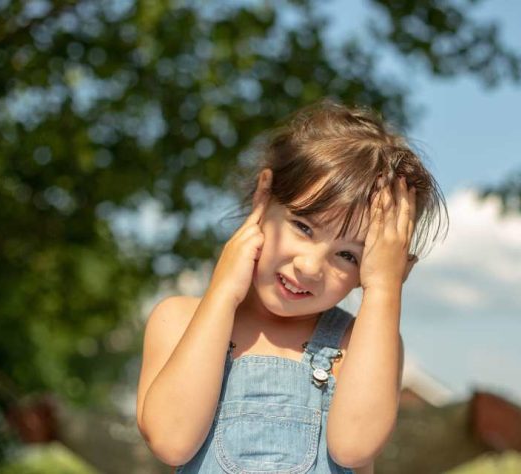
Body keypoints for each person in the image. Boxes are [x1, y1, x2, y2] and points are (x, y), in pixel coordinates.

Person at [135, 99, 447, 474]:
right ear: (264, 195)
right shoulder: (179, 320)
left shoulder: (356, 343)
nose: (311, 267)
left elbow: (355, 447)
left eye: (348, 256)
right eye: (303, 227)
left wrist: (383, 289)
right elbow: (171, 440)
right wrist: (222, 295)